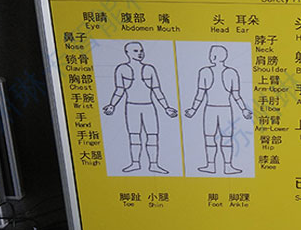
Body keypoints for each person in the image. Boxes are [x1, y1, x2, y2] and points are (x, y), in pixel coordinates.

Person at [103, 41, 177, 173]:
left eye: (141, 50)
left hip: (149, 107)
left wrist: (166, 107)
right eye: (136, 51)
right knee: (134, 136)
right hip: (132, 107)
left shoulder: (149, 69)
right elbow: (119, 90)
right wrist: (112, 105)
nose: (140, 53)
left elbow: (157, 90)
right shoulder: (122, 69)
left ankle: (153, 164)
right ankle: (135, 163)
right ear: (127, 53)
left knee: (152, 135)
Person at [184, 44, 252, 174]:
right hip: (222, 109)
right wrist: (243, 109)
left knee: (213, 138)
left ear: (213, 56)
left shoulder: (207, 72)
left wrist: (193, 109)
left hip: (214, 109)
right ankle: (220, 166)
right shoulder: (229, 73)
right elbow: (236, 95)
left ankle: (220, 166)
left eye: (211, 54)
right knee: (223, 138)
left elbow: (200, 95)